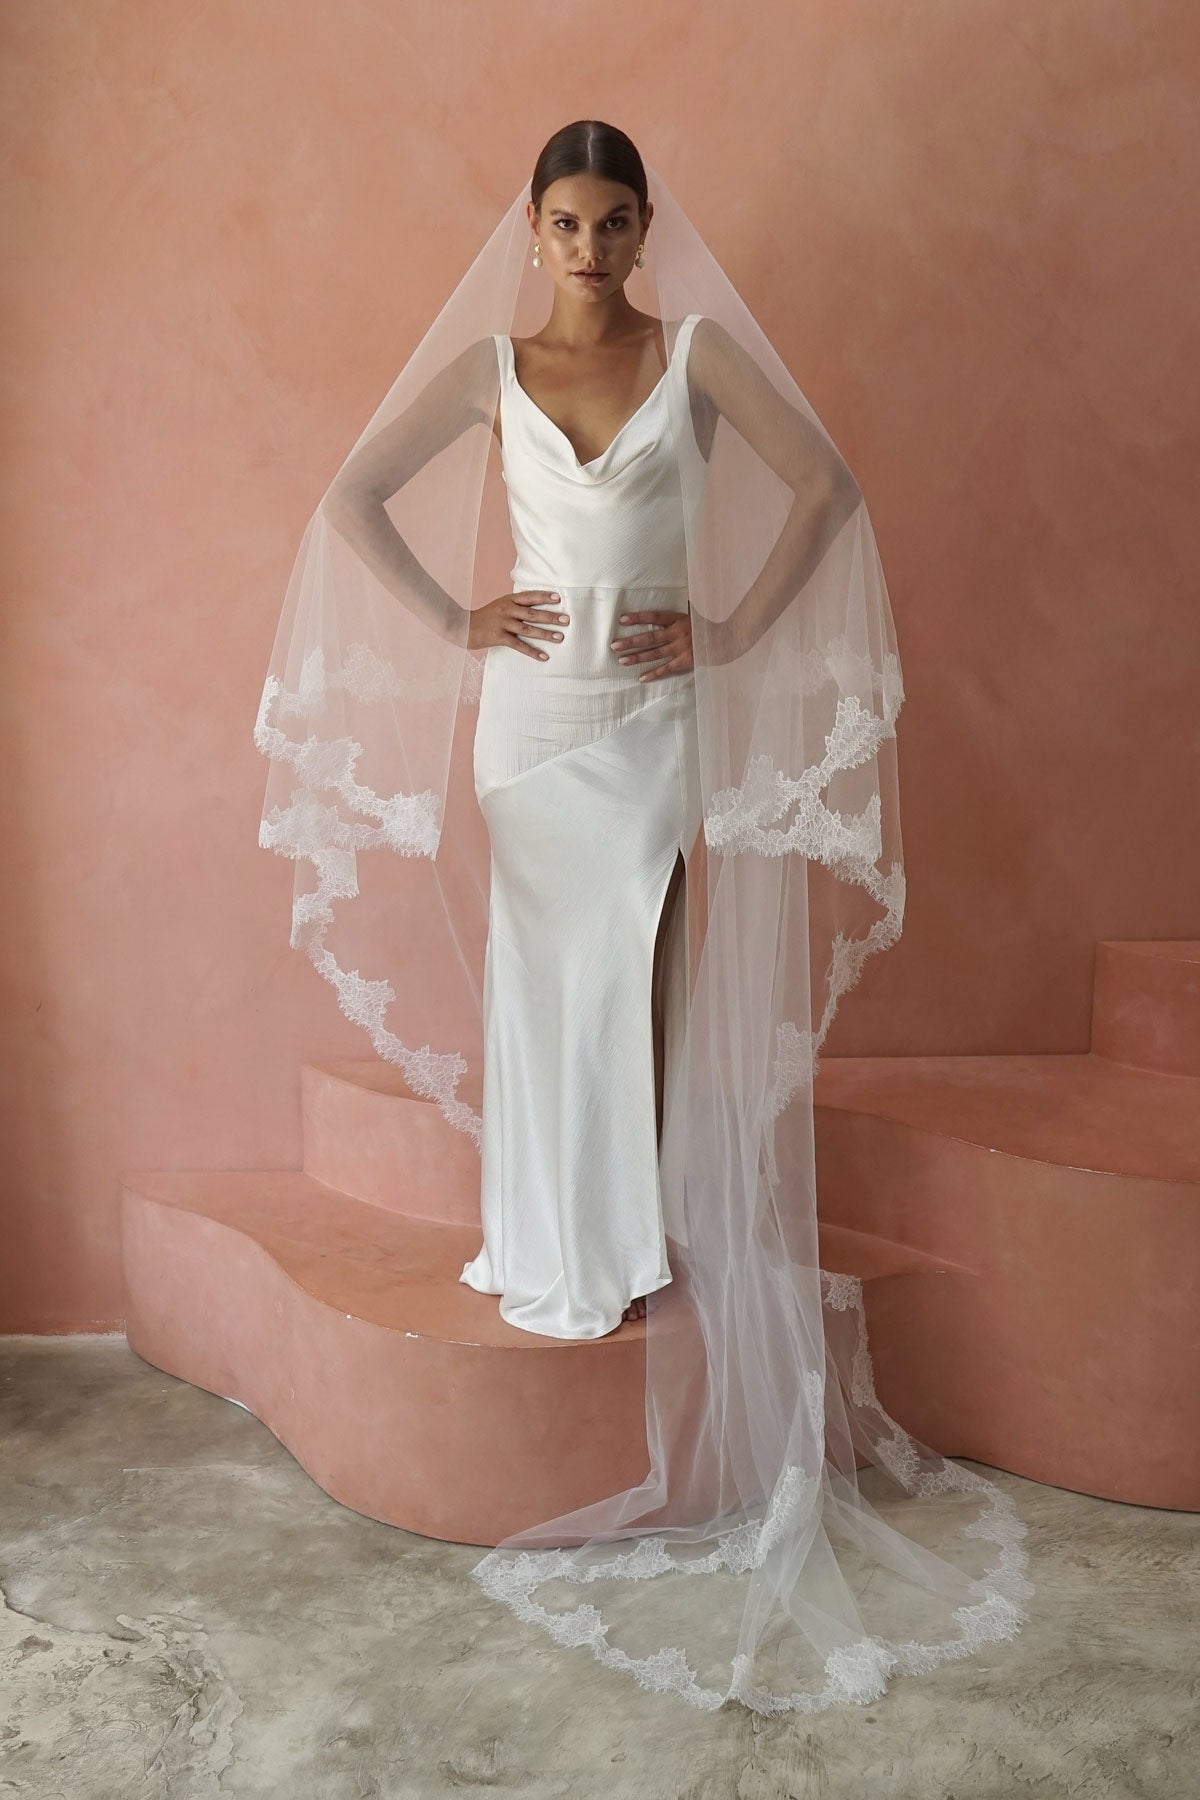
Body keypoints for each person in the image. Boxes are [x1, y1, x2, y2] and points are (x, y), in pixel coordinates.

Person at [256, 120, 1033, 1714]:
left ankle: (622, 1237)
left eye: (615, 223)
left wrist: (740, 626)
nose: (590, 248)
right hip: (531, 727)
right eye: (564, 222)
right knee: (550, 980)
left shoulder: (696, 356)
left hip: (653, 724)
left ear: (646, 227)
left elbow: (828, 488)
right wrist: (457, 617)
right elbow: (354, 497)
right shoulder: (488, 365)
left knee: (640, 971)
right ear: (528, 230)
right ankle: (546, 1237)